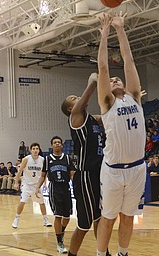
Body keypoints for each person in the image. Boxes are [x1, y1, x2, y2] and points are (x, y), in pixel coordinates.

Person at [96, 12, 147, 256]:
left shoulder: (135, 96)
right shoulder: (107, 102)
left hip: (137, 168)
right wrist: (105, 32)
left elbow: (129, 62)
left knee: (128, 218)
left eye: (119, 79)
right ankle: (99, 254)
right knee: (108, 218)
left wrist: (121, 28)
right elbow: (103, 67)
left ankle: (122, 253)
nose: (115, 79)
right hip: (114, 170)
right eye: (112, 80)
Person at [61, 73, 110, 256]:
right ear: (70, 108)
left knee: (100, 219)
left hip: (99, 174)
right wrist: (93, 82)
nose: (78, 98)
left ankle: (103, 252)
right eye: (74, 98)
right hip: (86, 176)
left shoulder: (92, 119)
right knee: (84, 225)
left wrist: (129, 102)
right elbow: (88, 94)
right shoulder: (75, 118)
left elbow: (110, 116)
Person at [35, 136, 74, 254]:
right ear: (52, 145)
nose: (57, 144)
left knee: (67, 216)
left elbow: (72, 174)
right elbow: (43, 175)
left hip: (66, 187)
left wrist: (77, 186)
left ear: (62, 145)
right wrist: (37, 187)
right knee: (58, 215)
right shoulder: (47, 159)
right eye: (55, 142)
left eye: (59, 142)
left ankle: (61, 232)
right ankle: (59, 242)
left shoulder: (67, 158)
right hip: (54, 188)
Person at [12, 143, 52, 229]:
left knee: (42, 203)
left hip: (36, 186)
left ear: (39, 150)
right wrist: (16, 182)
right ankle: (16, 218)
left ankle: (46, 220)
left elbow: (44, 173)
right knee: (22, 202)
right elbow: (20, 171)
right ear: (30, 150)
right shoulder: (26, 159)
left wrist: (44, 183)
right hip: (27, 184)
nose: (35, 150)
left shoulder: (42, 160)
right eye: (33, 148)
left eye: (37, 148)